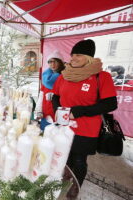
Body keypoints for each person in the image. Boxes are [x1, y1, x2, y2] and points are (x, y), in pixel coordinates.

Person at [52, 39, 117, 187]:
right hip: (64, 126)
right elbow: (56, 96)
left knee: (79, 161)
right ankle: (60, 187)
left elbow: (110, 104)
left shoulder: (101, 76)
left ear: (89, 58)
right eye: (72, 54)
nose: (73, 58)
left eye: (78, 55)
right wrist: (57, 110)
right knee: (63, 158)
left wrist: (81, 111)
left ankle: (75, 190)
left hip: (86, 129)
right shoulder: (64, 75)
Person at [35, 50, 65, 130]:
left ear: (60, 62)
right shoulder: (46, 79)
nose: (52, 64)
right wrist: (38, 111)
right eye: (50, 62)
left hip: (59, 113)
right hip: (46, 113)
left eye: (55, 61)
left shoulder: (65, 77)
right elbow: (41, 96)